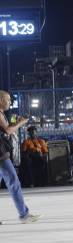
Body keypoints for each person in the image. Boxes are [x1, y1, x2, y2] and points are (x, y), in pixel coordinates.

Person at [0, 90, 41, 224]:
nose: (10, 102)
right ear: (1, 100)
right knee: (13, 181)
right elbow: (7, 131)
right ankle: (24, 214)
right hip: (1, 154)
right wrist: (21, 123)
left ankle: (24, 213)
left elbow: (6, 129)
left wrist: (15, 123)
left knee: (12, 181)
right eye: (8, 100)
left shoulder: (2, 114)